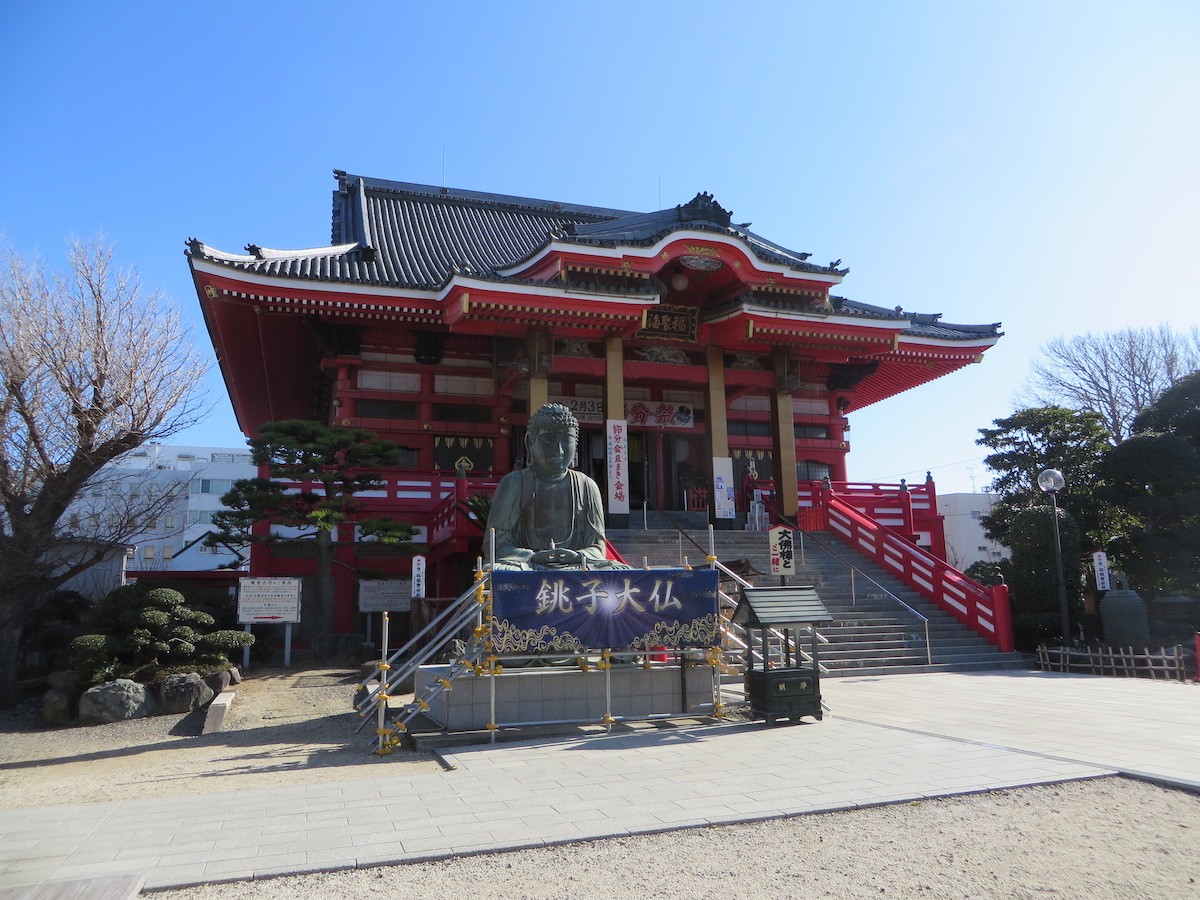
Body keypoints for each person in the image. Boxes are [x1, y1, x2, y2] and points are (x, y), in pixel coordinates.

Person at [486, 403, 627, 570]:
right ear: (530, 442)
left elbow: (597, 548)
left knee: (618, 571)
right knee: (499, 570)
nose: (559, 450)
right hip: (528, 567)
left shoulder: (587, 486)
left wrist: (578, 556)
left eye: (567, 441)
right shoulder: (514, 483)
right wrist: (532, 557)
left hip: (574, 567)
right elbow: (495, 546)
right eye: (548, 441)